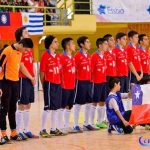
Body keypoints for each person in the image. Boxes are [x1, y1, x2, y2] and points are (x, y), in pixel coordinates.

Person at [0, 38, 33, 143]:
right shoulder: (7, 51)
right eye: (26, 49)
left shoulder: (20, 52)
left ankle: (13, 133)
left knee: (12, 109)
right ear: (22, 45)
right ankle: (3, 135)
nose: (26, 52)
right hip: (5, 83)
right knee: (3, 110)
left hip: (15, 83)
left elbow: (18, 67)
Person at [39, 35, 65, 137]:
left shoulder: (58, 56)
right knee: (48, 107)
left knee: (56, 107)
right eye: (55, 42)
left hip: (58, 84)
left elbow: (60, 71)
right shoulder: (44, 55)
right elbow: (42, 73)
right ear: (50, 44)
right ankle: (42, 129)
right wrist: (44, 86)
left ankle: (53, 129)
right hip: (49, 84)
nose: (57, 43)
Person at [15, 27, 38, 139]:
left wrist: (34, 77)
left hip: (29, 79)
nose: (28, 34)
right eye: (26, 33)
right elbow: (21, 65)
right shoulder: (19, 49)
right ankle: (18, 131)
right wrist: (30, 77)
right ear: (20, 36)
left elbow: (32, 64)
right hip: (22, 79)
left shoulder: (29, 48)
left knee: (28, 104)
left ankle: (26, 129)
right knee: (21, 104)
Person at [73, 36, 94, 132]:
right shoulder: (77, 56)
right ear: (82, 44)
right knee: (78, 103)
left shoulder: (89, 56)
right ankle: (75, 125)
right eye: (87, 42)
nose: (89, 43)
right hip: (80, 82)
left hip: (89, 82)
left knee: (89, 102)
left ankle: (86, 123)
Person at [90, 38, 108, 129]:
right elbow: (91, 71)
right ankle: (91, 123)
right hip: (96, 83)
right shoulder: (93, 56)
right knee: (94, 102)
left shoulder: (104, 56)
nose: (107, 46)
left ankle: (100, 121)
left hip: (103, 82)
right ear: (100, 45)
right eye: (105, 44)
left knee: (103, 102)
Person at [60, 37, 77, 133]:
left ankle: (66, 125)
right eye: (72, 43)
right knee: (62, 106)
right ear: (67, 46)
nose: (74, 45)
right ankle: (60, 126)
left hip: (72, 86)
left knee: (69, 106)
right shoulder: (62, 58)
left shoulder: (73, 58)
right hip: (64, 87)